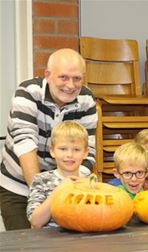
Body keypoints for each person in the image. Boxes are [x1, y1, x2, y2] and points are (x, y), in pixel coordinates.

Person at [1, 48, 97, 230]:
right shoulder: (27, 93)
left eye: (77, 78)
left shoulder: (86, 100)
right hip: (19, 185)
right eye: (63, 77)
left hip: (66, 186)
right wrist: (43, 194)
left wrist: (76, 186)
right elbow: (25, 145)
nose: (70, 85)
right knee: (25, 247)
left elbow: (87, 148)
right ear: (48, 75)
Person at [26, 121, 90, 228]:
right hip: (50, 242)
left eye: (76, 149)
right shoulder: (41, 180)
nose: (69, 155)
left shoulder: (89, 181)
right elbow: (36, 222)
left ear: (85, 153)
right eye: (63, 149)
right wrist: (60, 190)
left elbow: (96, 216)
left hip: (81, 241)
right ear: (52, 151)